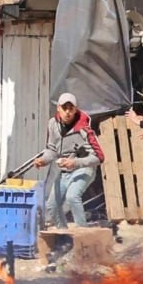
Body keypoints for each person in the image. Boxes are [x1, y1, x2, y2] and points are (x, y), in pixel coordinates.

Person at [34, 93, 105, 229]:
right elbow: (51, 150)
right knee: (52, 205)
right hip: (65, 171)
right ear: (58, 108)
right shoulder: (52, 124)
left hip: (84, 169)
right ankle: (64, 234)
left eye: (71, 108)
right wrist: (43, 160)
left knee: (72, 197)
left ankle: (83, 234)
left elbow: (99, 156)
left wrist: (76, 162)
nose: (67, 112)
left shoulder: (84, 129)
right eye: (64, 108)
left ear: (75, 109)